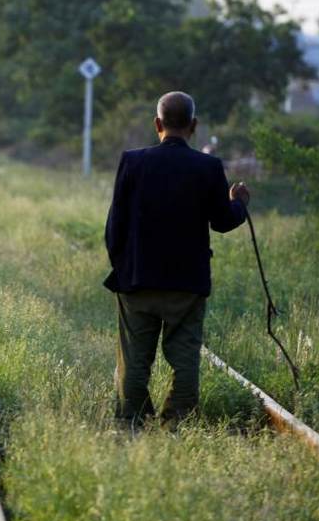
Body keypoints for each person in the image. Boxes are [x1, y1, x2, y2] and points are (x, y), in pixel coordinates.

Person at [104, 91, 250, 427]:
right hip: (187, 284)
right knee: (185, 358)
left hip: (138, 280)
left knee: (135, 358)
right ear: (194, 126)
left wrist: (123, 268)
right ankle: (176, 423)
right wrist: (239, 202)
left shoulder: (132, 161)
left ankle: (132, 421)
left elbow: (115, 227)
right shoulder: (208, 167)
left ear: (157, 124)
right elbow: (223, 221)